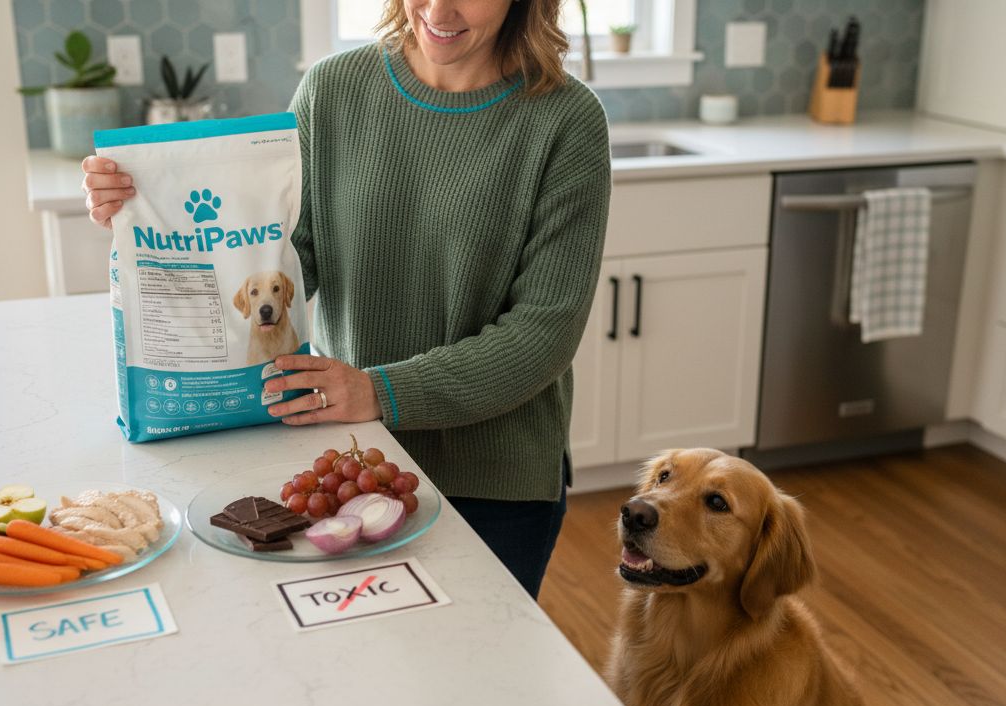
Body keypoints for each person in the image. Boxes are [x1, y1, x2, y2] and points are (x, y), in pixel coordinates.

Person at [81, 0, 611, 599]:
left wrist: (379, 391)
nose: (438, 9)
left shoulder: (567, 119)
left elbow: (544, 332)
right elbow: (281, 265)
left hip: (495, 477)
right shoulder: (332, 90)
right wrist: (148, 217)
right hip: (353, 460)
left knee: (479, 677)